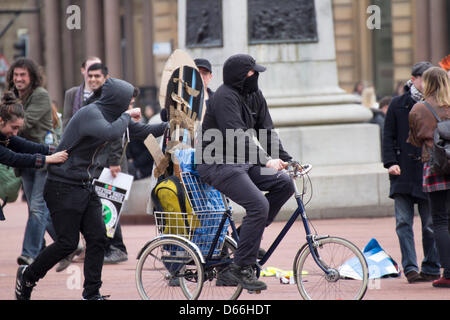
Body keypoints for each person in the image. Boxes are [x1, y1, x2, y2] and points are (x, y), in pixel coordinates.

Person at [15, 77, 168, 300]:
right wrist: (126, 116)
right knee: (67, 243)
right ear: (116, 100)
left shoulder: (115, 117)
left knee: (98, 238)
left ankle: (91, 294)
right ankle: (28, 275)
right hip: (62, 186)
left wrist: (169, 126)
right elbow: (110, 133)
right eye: (127, 101)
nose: (128, 106)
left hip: (85, 186)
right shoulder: (91, 114)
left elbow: (142, 130)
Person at [197, 54, 295, 291]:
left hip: (242, 163)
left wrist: (287, 159)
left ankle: (242, 243)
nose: (257, 76)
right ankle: (240, 268)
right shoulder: (223, 98)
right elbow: (238, 137)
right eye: (253, 73)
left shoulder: (254, 95)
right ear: (241, 76)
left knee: (284, 184)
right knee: (258, 205)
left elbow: (266, 131)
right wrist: (266, 160)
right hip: (218, 164)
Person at [56, 63, 129, 271]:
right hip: (89, 161)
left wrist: (115, 160)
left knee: (109, 205)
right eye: (91, 75)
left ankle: (116, 247)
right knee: (98, 206)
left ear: (105, 78)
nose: (94, 79)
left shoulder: (111, 98)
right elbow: (69, 122)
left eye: (98, 75)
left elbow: (117, 133)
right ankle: (95, 247)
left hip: (107, 161)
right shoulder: (75, 94)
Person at [383, 61, 441, 283]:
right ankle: (410, 267)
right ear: (414, 79)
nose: (427, 83)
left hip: (428, 169)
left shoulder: (437, 104)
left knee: (430, 223)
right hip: (402, 171)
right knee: (403, 222)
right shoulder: (398, 104)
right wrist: (390, 162)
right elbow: (388, 136)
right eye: (423, 79)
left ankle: (432, 266)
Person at [6, 58, 56, 266]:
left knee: (37, 206)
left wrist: (5, 122)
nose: (18, 79)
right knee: (36, 208)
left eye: (22, 75)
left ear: (32, 77)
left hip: (44, 156)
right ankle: (68, 241)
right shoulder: (13, 96)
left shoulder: (41, 95)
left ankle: (29, 253)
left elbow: (23, 124)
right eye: (16, 75)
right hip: (25, 160)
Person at [408, 66, 450, 288]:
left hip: (435, 167)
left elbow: (414, 139)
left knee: (440, 221)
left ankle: (448, 273)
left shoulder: (419, 108)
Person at [0, 92, 68, 219]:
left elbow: (26, 146)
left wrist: (56, 150)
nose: (15, 133)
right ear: (1, 121)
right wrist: (49, 159)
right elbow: (14, 159)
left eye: (17, 129)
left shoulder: (5, 135)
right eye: (13, 128)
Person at [62, 56, 101, 129]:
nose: (94, 71)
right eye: (91, 68)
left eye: (98, 68)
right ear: (83, 70)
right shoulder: (71, 93)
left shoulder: (107, 93)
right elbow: (66, 123)